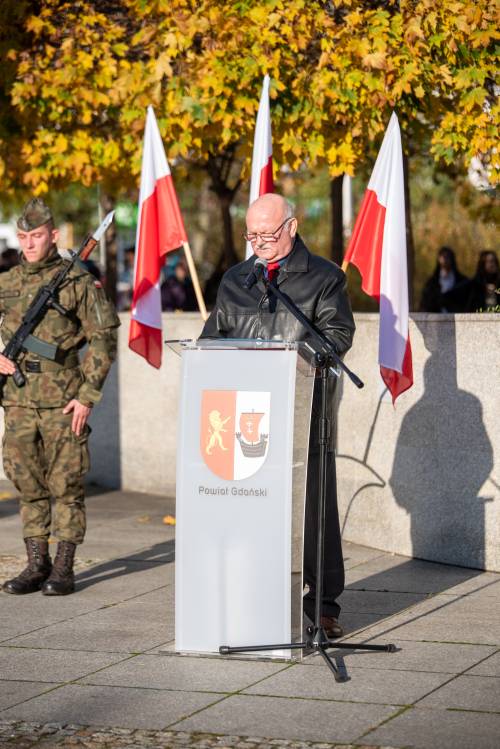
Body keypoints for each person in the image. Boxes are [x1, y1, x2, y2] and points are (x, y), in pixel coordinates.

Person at [201, 193, 355, 637]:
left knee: (313, 515)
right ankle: (254, 596)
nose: (259, 243)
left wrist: (294, 357)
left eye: (267, 234)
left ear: (291, 226)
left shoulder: (324, 278)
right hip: (244, 416)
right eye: (252, 235)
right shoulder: (236, 279)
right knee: (251, 513)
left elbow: (338, 334)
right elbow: (213, 337)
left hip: (302, 414)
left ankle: (322, 606)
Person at [0, 198, 120, 596]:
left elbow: (104, 339)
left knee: (66, 484)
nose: (29, 244)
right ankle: (37, 564)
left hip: (64, 400)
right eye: (23, 237)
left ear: (53, 236)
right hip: (17, 399)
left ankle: (63, 568)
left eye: (36, 236)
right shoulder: (7, 282)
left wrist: (87, 396)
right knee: (27, 483)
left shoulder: (77, 282)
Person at [419, 246, 470, 313]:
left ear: (452, 259)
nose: (445, 259)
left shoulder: (461, 281)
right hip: (437, 319)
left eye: (448, 257)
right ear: (439, 259)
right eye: (443, 256)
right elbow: (426, 304)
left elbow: (465, 303)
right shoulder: (432, 283)